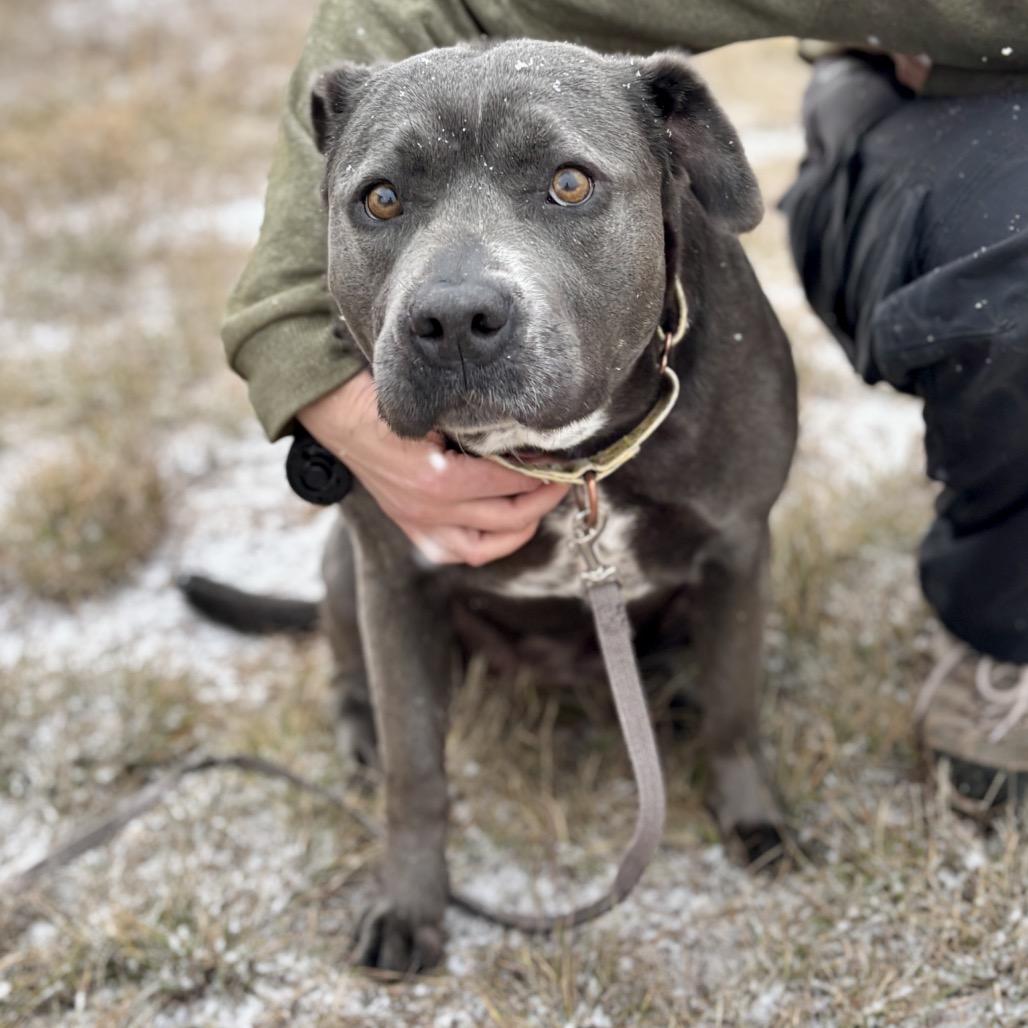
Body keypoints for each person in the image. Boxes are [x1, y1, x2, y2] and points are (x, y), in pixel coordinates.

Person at [222, 0, 1028, 813]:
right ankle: (360, 704)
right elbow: (410, 9)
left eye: (567, 185)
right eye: (386, 203)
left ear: (685, 149)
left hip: (989, 131)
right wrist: (324, 393)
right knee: (363, 553)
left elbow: (739, 548)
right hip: (469, 606)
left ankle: (735, 752)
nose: (453, 302)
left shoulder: (722, 379)